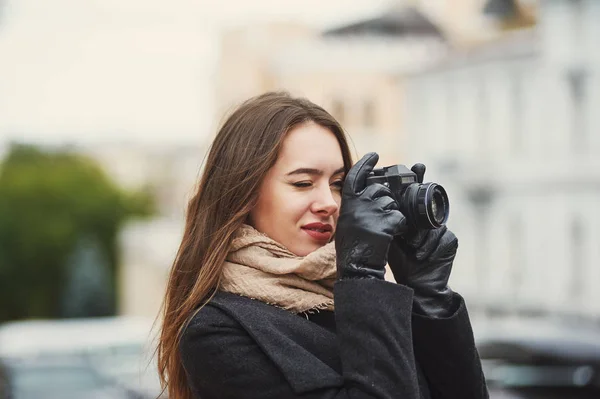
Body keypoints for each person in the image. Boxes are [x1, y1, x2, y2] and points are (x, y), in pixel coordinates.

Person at [157, 91, 488, 399]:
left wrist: (429, 298)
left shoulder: (364, 302)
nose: (329, 202)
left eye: (339, 184)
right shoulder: (216, 331)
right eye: (303, 183)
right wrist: (362, 276)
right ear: (242, 195)